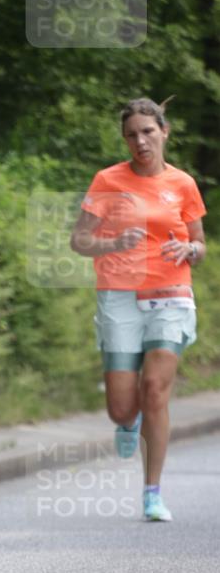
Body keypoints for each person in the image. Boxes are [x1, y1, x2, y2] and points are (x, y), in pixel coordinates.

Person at [70, 97, 206, 522]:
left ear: (164, 131)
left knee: (156, 390)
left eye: (148, 131)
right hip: (120, 296)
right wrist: (113, 243)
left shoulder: (183, 183)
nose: (140, 141)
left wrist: (190, 249)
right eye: (132, 135)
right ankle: (127, 422)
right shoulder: (108, 180)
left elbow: (200, 243)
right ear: (125, 140)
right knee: (122, 407)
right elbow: (79, 240)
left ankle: (152, 492)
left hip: (171, 292)